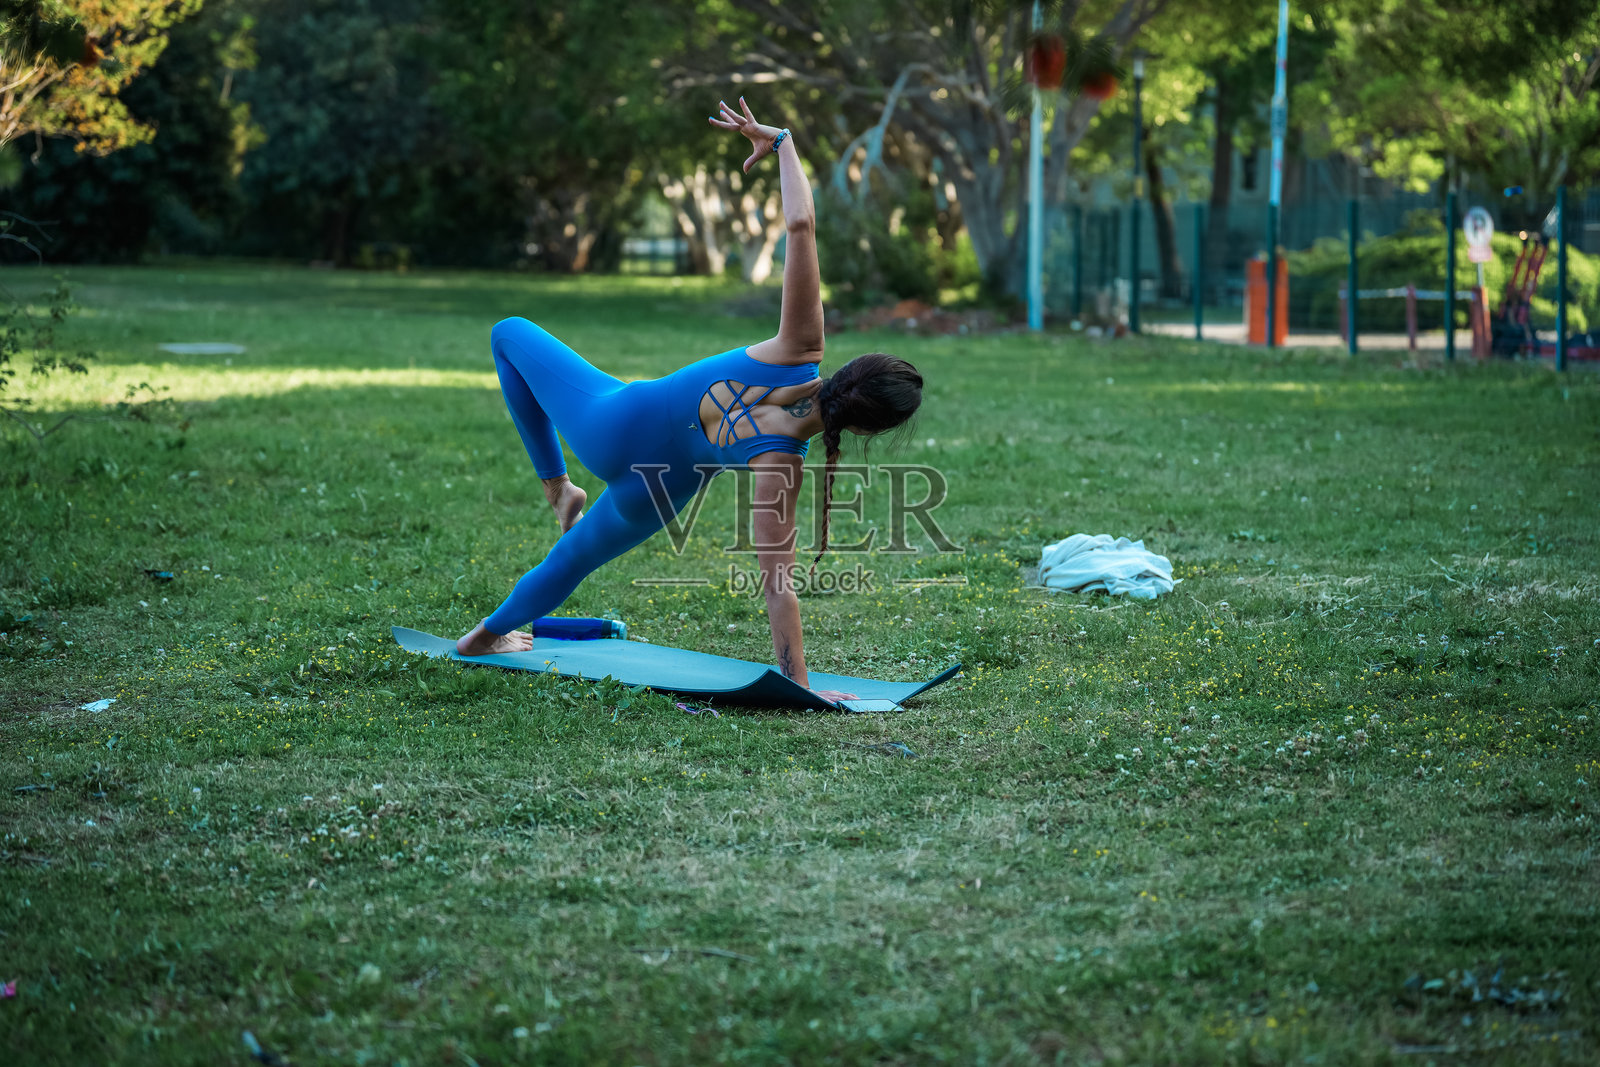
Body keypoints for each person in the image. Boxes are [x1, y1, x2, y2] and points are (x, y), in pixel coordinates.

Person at [456, 97, 923, 705]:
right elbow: (777, 587)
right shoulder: (779, 465)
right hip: (658, 490)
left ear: (852, 369)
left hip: (614, 424)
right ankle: (484, 635)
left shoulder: (800, 346)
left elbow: (801, 227)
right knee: (573, 560)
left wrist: (783, 143)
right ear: (863, 430)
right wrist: (801, 687)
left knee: (509, 334)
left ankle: (557, 488)